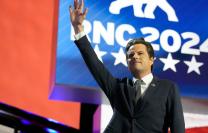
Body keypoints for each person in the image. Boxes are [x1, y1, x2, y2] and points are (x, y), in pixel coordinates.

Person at [69, 0, 185, 132]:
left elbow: (178, 127)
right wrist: (78, 29)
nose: (134, 56)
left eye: (140, 53)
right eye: (130, 55)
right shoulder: (118, 87)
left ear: (152, 59)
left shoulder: (168, 88)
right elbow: (94, 64)